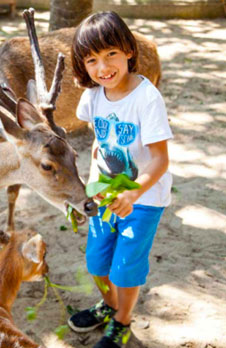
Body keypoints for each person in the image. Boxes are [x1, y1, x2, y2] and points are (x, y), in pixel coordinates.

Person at [67, 11, 173, 348]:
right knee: (97, 261)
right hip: (103, 196)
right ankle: (109, 305)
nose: (103, 67)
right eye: (92, 59)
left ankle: (122, 321)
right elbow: (96, 135)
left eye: (111, 53)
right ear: (83, 66)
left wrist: (132, 194)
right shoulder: (94, 96)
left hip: (142, 200)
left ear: (128, 50)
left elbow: (159, 158)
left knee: (125, 267)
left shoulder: (147, 98)